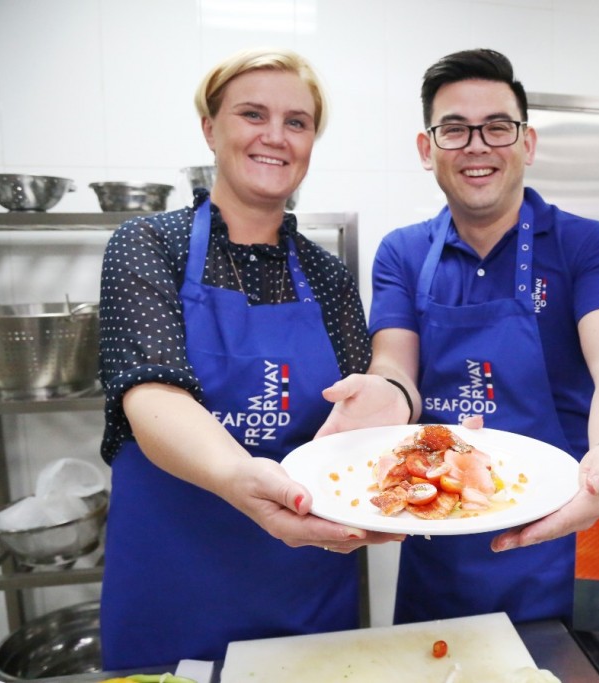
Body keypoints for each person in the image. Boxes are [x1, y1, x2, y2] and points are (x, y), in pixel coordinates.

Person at [319, 48, 599, 625]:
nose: (477, 145)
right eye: (454, 130)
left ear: (527, 142)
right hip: (438, 540)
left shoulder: (587, 246)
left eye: (497, 127)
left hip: (565, 531)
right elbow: (395, 367)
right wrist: (387, 395)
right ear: (428, 150)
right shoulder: (403, 251)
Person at [97, 47, 399, 669]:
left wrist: (409, 433)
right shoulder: (149, 245)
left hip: (305, 584)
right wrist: (241, 478)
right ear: (210, 129)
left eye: (297, 122)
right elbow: (152, 394)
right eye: (252, 114)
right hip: (174, 585)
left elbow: (350, 419)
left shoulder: (327, 276)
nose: (275, 137)